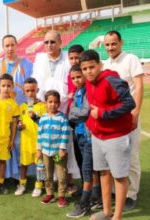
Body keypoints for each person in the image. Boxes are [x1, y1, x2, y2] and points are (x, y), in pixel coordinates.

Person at [80, 50, 135, 220]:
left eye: (92, 67)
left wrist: (104, 114)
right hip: (98, 136)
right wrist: (92, 124)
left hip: (116, 136)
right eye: (84, 68)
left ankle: (116, 217)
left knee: (119, 176)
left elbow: (129, 103)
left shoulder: (111, 79)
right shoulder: (89, 82)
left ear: (100, 65)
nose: (88, 71)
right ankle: (106, 212)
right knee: (103, 172)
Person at [33, 30, 81, 192]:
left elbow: (74, 79)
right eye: (46, 42)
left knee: (66, 147)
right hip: (45, 109)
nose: (49, 45)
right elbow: (36, 81)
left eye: (52, 42)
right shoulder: (39, 59)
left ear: (60, 42)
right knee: (46, 145)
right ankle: (47, 183)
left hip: (65, 108)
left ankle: (68, 182)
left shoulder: (68, 58)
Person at [103, 30, 143, 211]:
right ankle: (115, 191)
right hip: (112, 120)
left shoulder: (131, 59)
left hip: (129, 117)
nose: (110, 47)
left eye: (113, 43)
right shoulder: (104, 65)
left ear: (121, 43)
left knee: (131, 156)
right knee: (113, 157)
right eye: (107, 44)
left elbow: (140, 86)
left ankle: (131, 194)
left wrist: (136, 113)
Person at [0, 34, 33, 181]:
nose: (10, 48)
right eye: (7, 45)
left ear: (17, 45)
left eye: (12, 45)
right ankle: (3, 176)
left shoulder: (26, 64)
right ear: (3, 47)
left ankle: (19, 175)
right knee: (2, 144)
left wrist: (30, 107)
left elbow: (31, 86)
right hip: (0, 112)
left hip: (19, 109)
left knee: (17, 143)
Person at [66, 64, 101, 218]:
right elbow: (76, 112)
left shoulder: (88, 89)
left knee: (87, 170)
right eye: (73, 78)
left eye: (78, 76)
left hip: (89, 136)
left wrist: (73, 114)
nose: (76, 80)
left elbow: (85, 111)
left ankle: (84, 203)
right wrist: (75, 113)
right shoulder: (78, 91)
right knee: (91, 169)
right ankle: (96, 197)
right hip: (80, 134)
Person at [37, 90, 70, 208]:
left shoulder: (62, 118)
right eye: (50, 102)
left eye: (55, 102)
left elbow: (65, 134)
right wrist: (39, 150)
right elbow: (40, 135)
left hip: (57, 153)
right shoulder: (43, 118)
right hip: (46, 152)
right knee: (48, 174)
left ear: (59, 103)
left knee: (61, 174)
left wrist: (62, 149)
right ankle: (49, 194)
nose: (53, 104)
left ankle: (61, 196)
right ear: (45, 103)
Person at [14, 78, 46, 197]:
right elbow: (19, 123)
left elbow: (45, 123)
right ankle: (22, 184)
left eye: (33, 90)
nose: (30, 93)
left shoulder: (43, 106)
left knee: (40, 165)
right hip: (25, 142)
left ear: (37, 90)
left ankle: (39, 185)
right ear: (24, 92)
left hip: (38, 143)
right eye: (27, 91)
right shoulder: (22, 107)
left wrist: (35, 117)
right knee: (24, 164)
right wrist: (19, 126)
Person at [66, 44, 85, 195]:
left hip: (86, 124)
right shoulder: (70, 73)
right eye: (71, 58)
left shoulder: (88, 76)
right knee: (79, 155)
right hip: (75, 122)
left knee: (89, 159)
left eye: (76, 57)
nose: (74, 60)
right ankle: (86, 187)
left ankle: (91, 190)